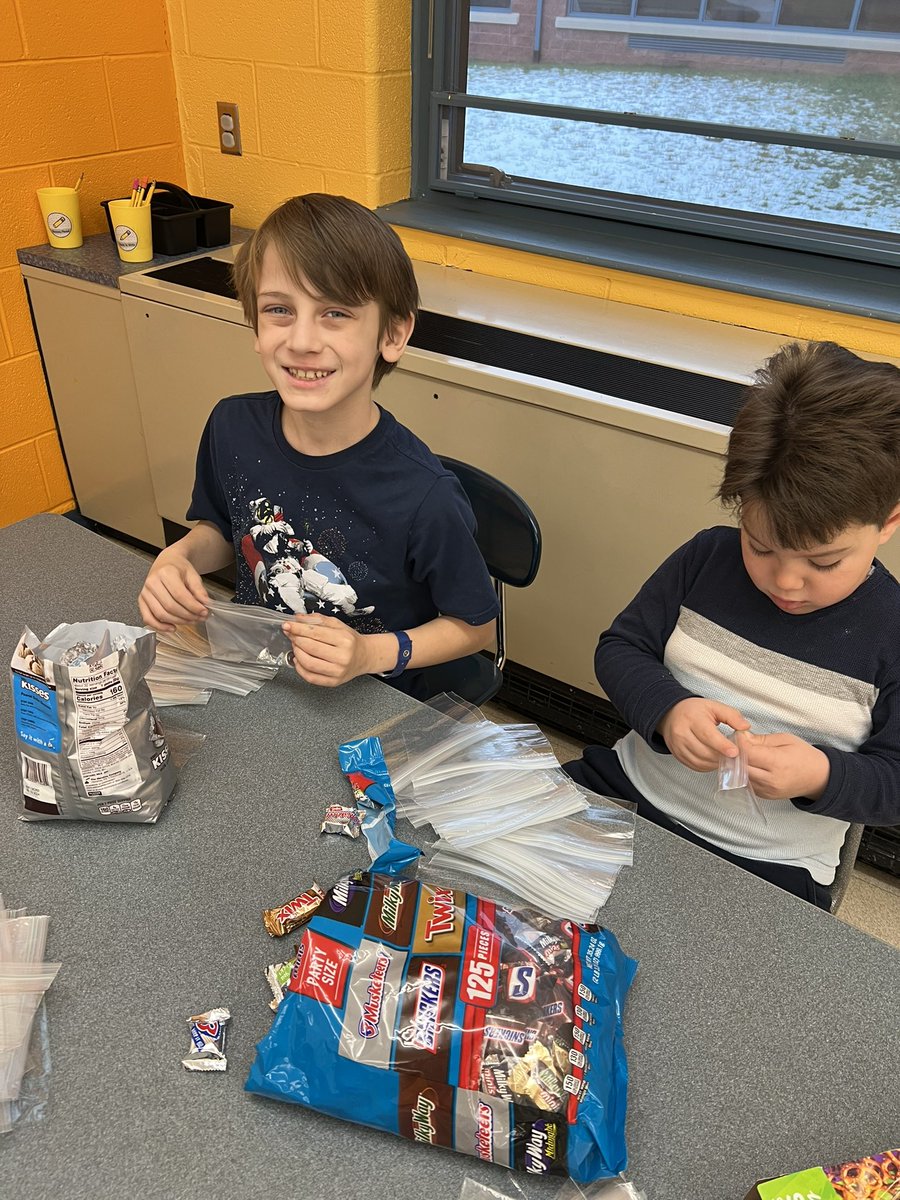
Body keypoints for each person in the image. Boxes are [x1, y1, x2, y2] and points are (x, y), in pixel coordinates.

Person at [565, 341, 900, 909]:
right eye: (760, 545)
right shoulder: (706, 559)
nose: (785, 582)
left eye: (823, 562)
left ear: (888, 521)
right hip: (630, 791)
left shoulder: (889, 632)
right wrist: (667, 708)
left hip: (768, 865)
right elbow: (621, 649)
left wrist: (820, 774)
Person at [138, 193, 498, 698]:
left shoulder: (425, 495)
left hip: (371, 697)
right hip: (260, 673)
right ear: (256, 328)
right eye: (280, 310)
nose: (302, 340)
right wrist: (178, 558)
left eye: (335, 313)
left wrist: (371, 653)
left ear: (391, 335)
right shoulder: (231, 425)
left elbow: (477, 628)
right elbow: (222, 528)